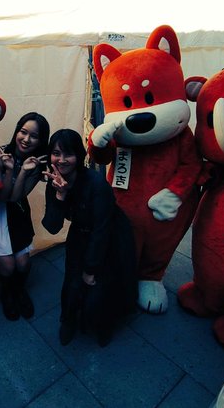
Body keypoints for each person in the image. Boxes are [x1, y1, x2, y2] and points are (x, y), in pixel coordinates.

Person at [42, 129, 137, 347]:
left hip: (110, 235)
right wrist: (60, 195)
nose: (61, 160)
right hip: (80, 233)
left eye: (68, 154)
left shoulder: (96, 184)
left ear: (79, 155)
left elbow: (101, 229)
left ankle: (105, 325)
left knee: (103, 285)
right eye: (56, 153)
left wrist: (90, 268)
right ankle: (68, 320)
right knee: (72, 282)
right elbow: (52, 227)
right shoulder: (54, 182)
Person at [0, 112, 50, 320]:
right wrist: (10, 170)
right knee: (8, 266)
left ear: (41, 141)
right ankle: (7, 293)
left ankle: (20, 291)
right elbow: (2, 197)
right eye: (23, 132)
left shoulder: (36, 163)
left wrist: (25, 171)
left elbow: (17, 197)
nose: (26, 139)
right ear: (17, 131)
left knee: (23, 264)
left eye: (34, 136)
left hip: (17, 210)